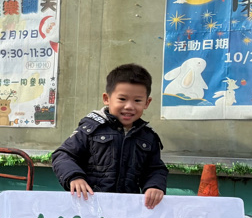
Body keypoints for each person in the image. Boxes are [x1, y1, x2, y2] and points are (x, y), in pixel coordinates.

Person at [52, 63, 168, 209]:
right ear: (107, 98)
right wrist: (74, 177)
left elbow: (155, 168)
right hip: (89, 207)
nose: (129, 106)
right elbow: (63, 155)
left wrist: (154, 186)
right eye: (122, 99)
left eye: (137, 100)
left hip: (128, 210)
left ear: (147, 102)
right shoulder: (91, 129)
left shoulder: (148, 136)